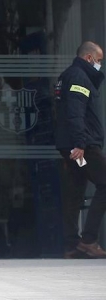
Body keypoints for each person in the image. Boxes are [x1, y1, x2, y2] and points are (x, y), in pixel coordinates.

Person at [54, 41, 106, 259]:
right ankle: (88, 240)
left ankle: (71, 245)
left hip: (75, 147)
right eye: (99, 60)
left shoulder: (71, 75)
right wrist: (80, 144)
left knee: (74, 191)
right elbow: (75, 113)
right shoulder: (78, 77)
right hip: (82, 148)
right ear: (89, 58)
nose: (100, 65)